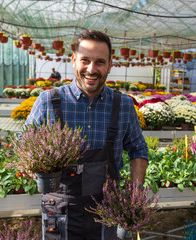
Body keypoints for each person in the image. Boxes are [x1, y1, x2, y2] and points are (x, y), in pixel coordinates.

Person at [25, 30, 148, 240]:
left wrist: (133, 200)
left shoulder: (123, 105)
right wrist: (36, 168)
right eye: (85, 60)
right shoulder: (48, 101)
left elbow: (138, 149)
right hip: (59, 208)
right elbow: (24, 146)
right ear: (74, 61)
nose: (91, 69)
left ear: (110, 65)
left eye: (100, 62)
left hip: (107, 209)